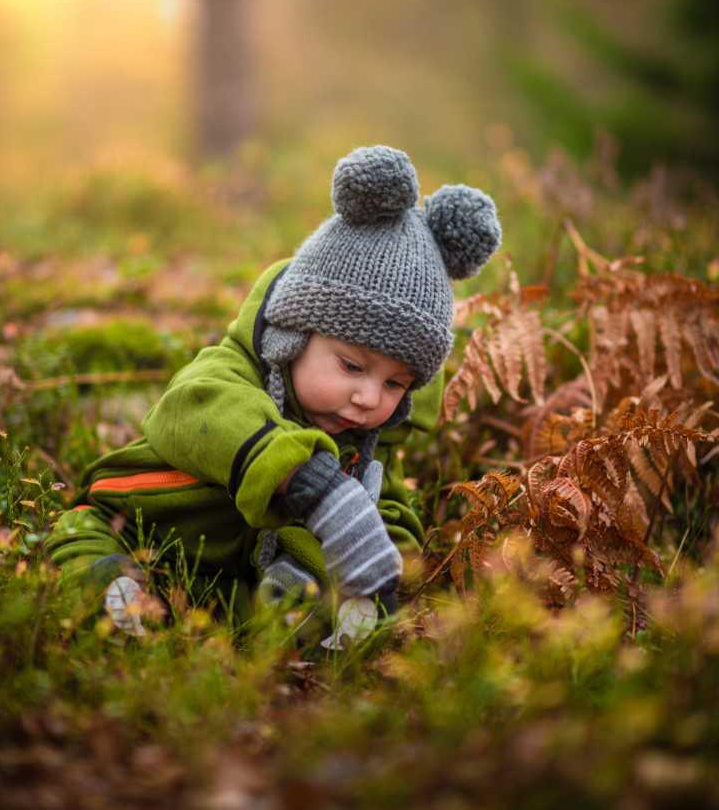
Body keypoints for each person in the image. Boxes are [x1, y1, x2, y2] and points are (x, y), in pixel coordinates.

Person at [45, 145, 501, 634]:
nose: (369, 398)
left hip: (230, 578)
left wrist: (378, 569)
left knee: (304, 606)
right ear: (293, 336)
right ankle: (111, 593)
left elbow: (387, 510)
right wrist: (309, 483)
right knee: (84, 542)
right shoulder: (229, 374)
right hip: (132, 522)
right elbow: (194, 410)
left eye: (395, 383)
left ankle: (276, 620)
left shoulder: (367, 441)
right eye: (351, 366)